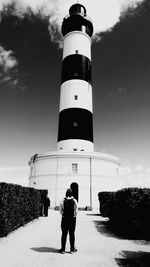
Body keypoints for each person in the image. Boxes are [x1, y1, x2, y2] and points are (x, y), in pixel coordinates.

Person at [59, 188, 78, 254]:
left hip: (65, 219)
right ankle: (72, 249)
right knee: (72, 233)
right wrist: (73, 215)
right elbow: (76, 211)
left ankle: (63, 249)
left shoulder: (62, 201)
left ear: (66, 193)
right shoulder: (74, 200)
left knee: (64, 234)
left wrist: (64, 215)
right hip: (72, 220)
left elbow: (60, 211)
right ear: (71, 194)